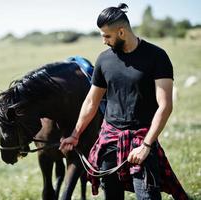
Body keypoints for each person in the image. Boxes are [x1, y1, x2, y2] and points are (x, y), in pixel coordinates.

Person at [59, 3, 188, 200]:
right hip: (109, 140)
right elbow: (91, 102)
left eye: (106, 36)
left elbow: (165, 106)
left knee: (147, 196)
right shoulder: (104, 60)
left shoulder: (156, 56)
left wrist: (146, 146)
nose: (103, 41)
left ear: (121, 32)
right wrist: (75, 134)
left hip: (141, 139)